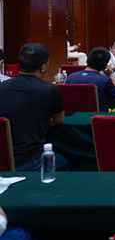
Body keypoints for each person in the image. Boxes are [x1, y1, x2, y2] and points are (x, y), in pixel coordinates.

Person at [0, 43, 70, 171]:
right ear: (43, 67)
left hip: (3, 160)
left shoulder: (2, 87)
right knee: (66, 163)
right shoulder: (50, 89)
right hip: (29, 160)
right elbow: (58, 120)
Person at [65, 47, 115, 112]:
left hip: (73, 116)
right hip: (98, 116)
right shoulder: (104, 80)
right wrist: (110, 75)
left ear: (87, 60)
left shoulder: (70, 77)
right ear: (105, 65)